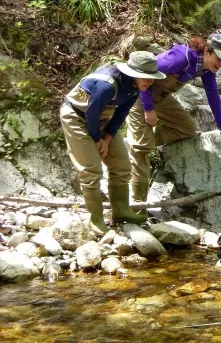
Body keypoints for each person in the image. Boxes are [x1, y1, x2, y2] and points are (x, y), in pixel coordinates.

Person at [126, 33, 221, 204]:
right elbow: (144, 74)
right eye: (218, 58)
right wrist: (148, 108)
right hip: (139, 94)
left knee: (187, 128)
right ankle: (137, 205)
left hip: (162, 97)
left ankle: (135, 143)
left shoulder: (206, 68)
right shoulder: (180, 59)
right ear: (206, 51)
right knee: (142, 149)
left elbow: (213, 95)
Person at [60, 51, 166, 235]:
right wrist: (97, 140)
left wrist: (107, 139)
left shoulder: (136, 87)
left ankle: (121, 211)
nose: (150, 82)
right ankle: (96, 219)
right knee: (91, 171)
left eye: (152, 78)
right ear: (134, 73)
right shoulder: (107, 85)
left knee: (122, 165)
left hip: (102, 119)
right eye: (146, 78)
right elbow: (91, 114)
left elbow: (121, 113)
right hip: (76, 117)